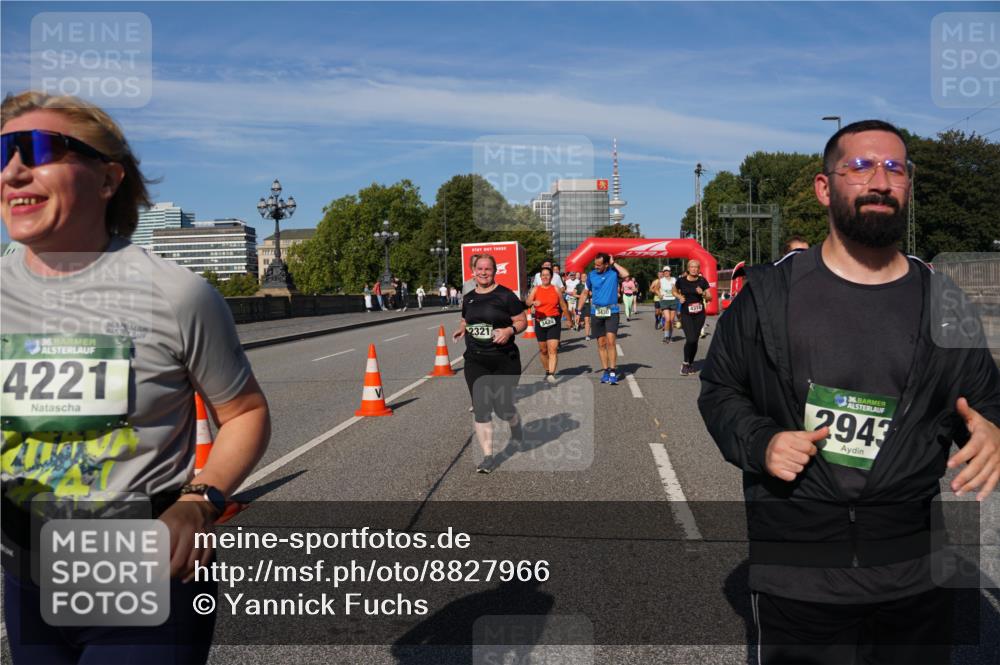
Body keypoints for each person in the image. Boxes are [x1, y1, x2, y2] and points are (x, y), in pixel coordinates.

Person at [698, 119, 1000, 665]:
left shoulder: (943, 301)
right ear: (824, 187)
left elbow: (983, 398)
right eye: (860, 166)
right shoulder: (770, 293)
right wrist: (761, 441)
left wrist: (993, 427)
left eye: (895, 168)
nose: (880, 180)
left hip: (915, 573)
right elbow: (720, 389)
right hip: (799, 573)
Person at [0, 91, 271, 664]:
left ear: (108, 180)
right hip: (25, 576)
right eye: (2, 153)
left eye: (41, 149)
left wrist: (200, 500)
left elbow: (244, 412)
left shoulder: (178, 294)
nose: (13, 169)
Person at [452, 255, 527, 474]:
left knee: (503, 409)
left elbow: (522, 321)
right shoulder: (469, 297)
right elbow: (466, 319)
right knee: (481, 408)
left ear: (495, 271)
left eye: (488, 269)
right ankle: (488, 457)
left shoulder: (506, 296)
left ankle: (516, 427)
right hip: (476, 360)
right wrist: (462, 328)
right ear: (473, 271)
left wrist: (509, 330)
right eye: (480, 269)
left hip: (505, 360)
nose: (484, 272)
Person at [578, 253, 629, 385]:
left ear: (606, 264)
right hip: (596, 312)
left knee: (611, 341)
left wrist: (614, 263)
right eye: (595, 264)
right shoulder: (591, 275)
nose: (596, 267)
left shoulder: (613, 273)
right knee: (601, 343)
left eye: (599, 265)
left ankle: (613, 371)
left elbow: (626, 275)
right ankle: (606, 370)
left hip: (611, 311)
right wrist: (578, 311)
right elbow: (585, 293)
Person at [525, 266, 565, 383]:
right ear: (540, 277)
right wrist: (532, 302)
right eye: (543, 275)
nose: (545, 277)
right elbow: (527, 301)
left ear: (551, 277)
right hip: (540, 322)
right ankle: (547, 371)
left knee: (552, 349)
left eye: (547, 275)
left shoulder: (556, 289)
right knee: (543, 350)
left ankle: (551, 374)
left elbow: (562, 304)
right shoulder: (536, 289)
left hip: (554, 321)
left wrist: (569, 319)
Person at [673, 259, 710, 375]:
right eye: (692, 267)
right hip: (686, 314)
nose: (694, 269)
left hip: (699, 314)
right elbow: (674, 290)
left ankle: (691, 363)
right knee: (690, 339)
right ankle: (685, 364)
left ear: (699, 269)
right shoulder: (681, 281)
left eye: (696, 267)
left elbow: (710, 297)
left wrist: (703, 293)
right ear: (688, 269)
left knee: (695, 340)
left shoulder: (702, 281)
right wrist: (679, 296)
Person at [659, 267, 678, 343]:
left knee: (672, 320)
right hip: (664, 301)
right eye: (665, 271)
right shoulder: (661, 280)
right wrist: (659, 294)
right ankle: (666, 336)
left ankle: (670, 336)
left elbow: (677, 289)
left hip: (673, 300)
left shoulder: (674, 279)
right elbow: (656, 289)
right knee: (667, 319)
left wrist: (675, 289)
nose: (666, 272)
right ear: (663, 272)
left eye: (668, 271)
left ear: (670, 272)